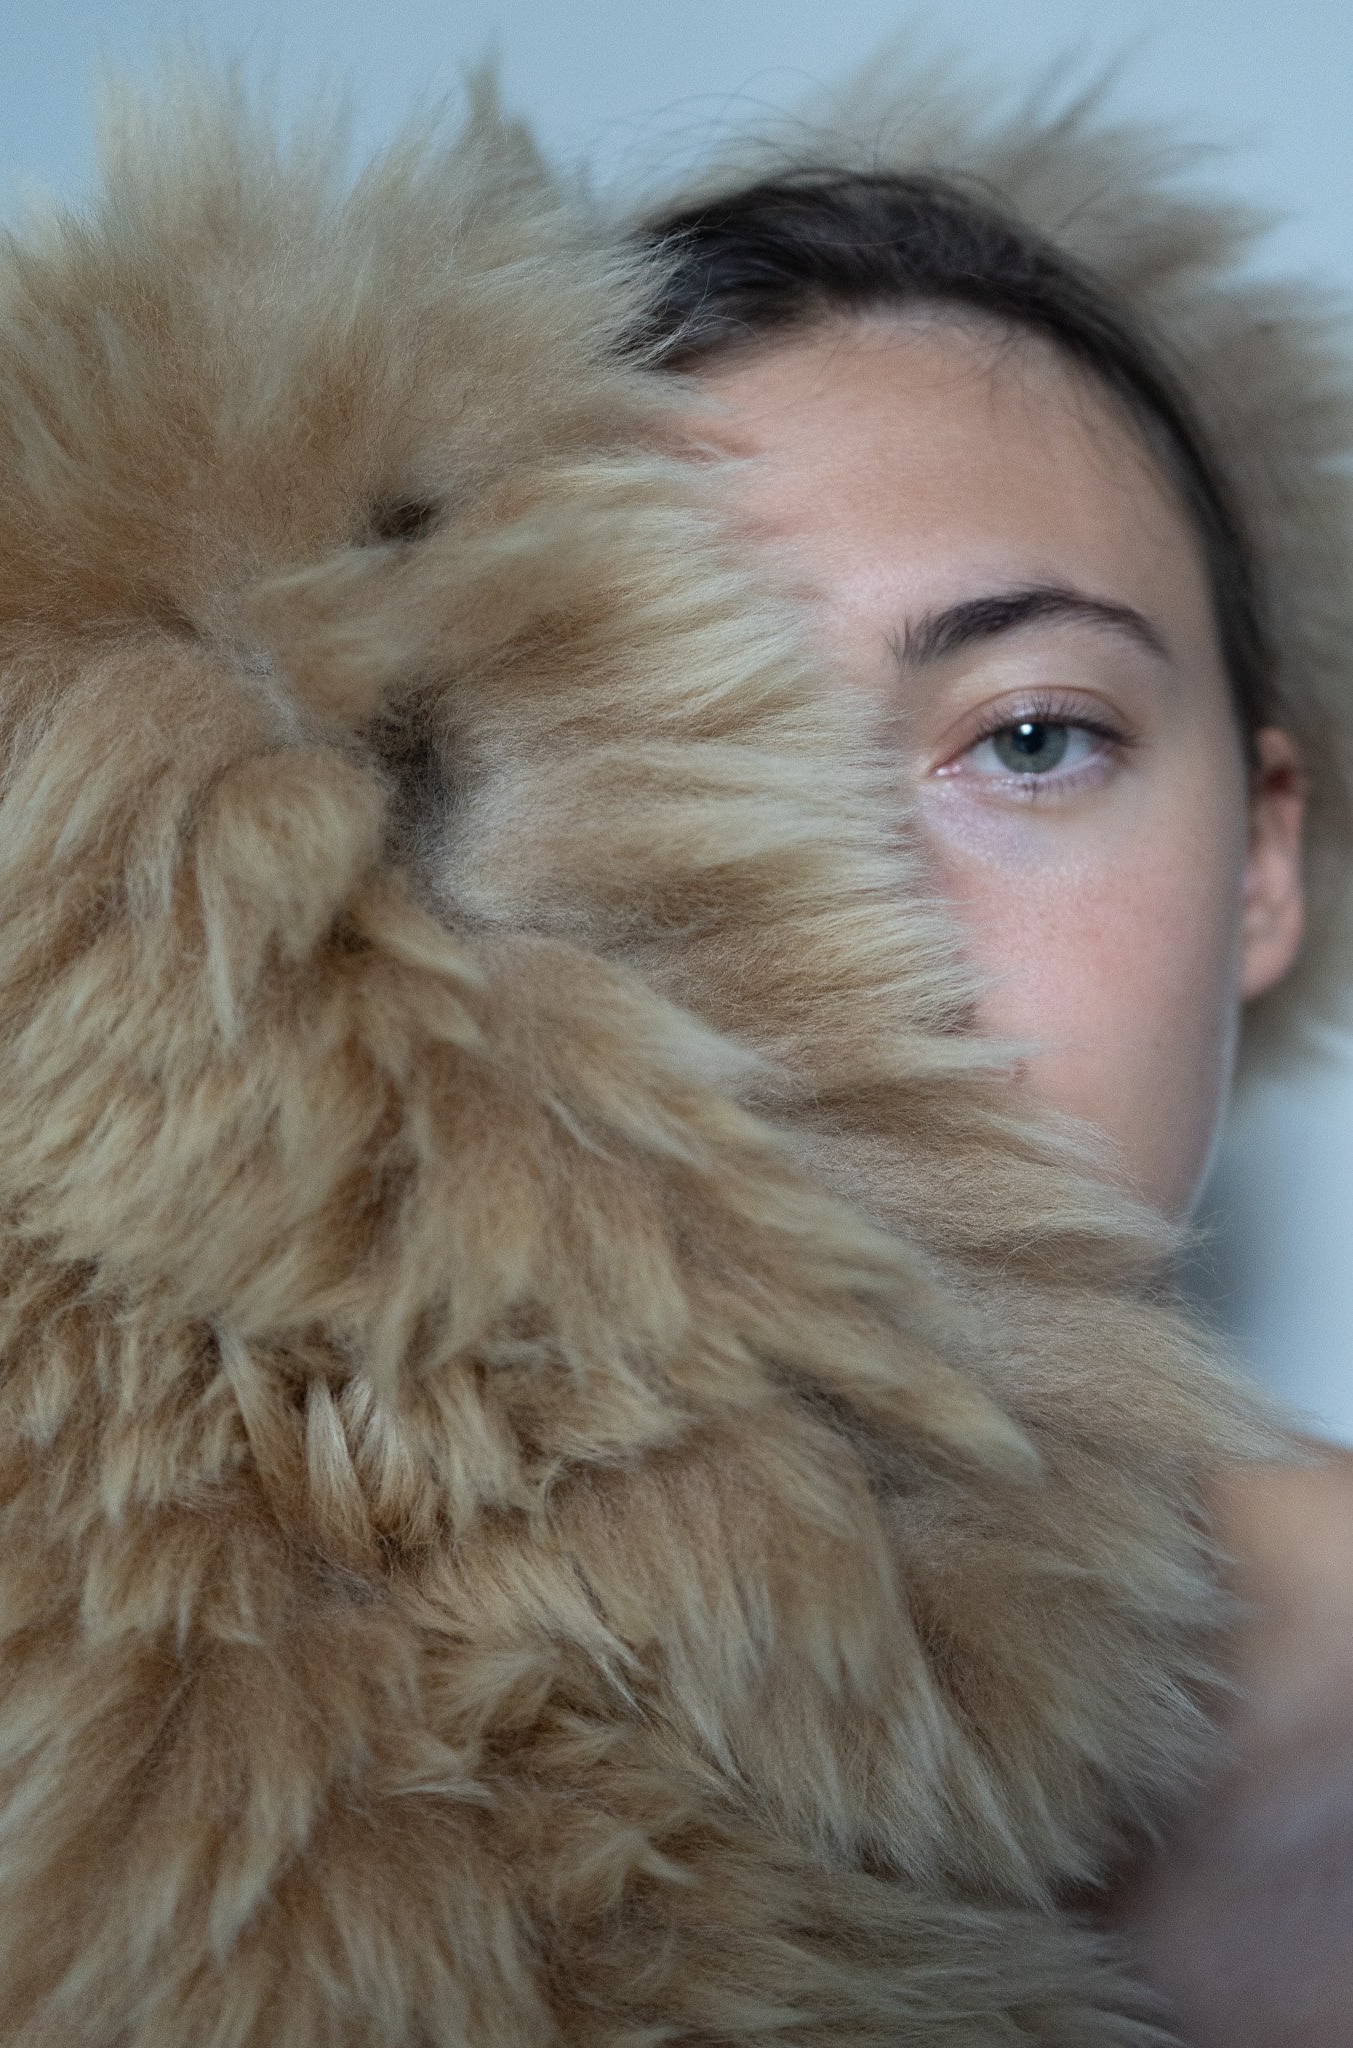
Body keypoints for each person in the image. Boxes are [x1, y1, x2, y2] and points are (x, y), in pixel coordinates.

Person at [634, 75, 1353, 2046]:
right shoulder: (213, 1808)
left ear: (1260, 863)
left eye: (1028, 740)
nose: (862, 922)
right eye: (705, 768)